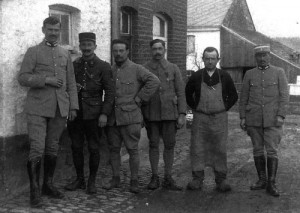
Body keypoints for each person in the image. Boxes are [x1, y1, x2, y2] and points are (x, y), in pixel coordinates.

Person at [18, 16, 78, 206]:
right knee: (37, 148)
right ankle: (34, 192)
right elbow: (22, 77)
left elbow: (71, 83)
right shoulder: (33, 52)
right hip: (37, 108)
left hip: (60, 108)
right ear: (43, 29)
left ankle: (48, 185)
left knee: (52, 147)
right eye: (50, 29)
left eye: (56, 29)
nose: (53, 33)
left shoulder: (64, 54)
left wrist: (73, 106)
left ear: (60, 31)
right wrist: (46, 80)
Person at [103, 39, 160, 193]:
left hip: (130, 117)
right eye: (115, 51)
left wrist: (140, 98)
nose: (118, 54)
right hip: (113, 118)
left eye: (122, 50)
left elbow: (154, 81)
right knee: (113, 149)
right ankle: (115, 178)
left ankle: (134, 181)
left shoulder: (137, 69)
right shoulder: (110, 70)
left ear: (127, 51)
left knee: (132, 149)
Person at [64, 32, 115, 194]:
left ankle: (91, 181)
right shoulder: (74, 65)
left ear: (95, 46)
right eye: (83, 45)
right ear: (80, 47)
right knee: (76, 147)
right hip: (76, 113)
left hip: (95, 114)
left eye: (89, 45)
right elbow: (67, 88)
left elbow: (110, 93)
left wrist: (104, 114)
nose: (86, 48)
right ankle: (80, 179)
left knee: (94, 148)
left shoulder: (104, 66)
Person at [185, 47, 238, 192]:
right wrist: (196, 106)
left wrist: (223, 107)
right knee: (197, 147)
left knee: (220, 148)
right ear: (203, 59)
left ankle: (221, 180)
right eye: (207, 58)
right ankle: (197, 179)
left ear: (217, 60)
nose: (209, 61)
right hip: (200, 117)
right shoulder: (196, 76)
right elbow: (187, 94)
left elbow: (234, 96)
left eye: (212, 58)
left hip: (219, 118)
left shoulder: (224, 76)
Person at [239, 45, 289, 197]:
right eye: (259, 55)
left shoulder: (279, 72)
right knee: (258, 150)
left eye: (264, 55)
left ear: (269, 56)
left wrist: (281, 115)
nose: (262, 58)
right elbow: (243, 97)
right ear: (255, 58)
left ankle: (271, 183)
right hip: (253, 119)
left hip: (273, 119)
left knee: (272, 150)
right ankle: (262, 180)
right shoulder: (249, 74)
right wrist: (242, 117)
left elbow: (284, 96)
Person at [142, 39, 186, 190]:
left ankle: (168, 177)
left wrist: (181, 114)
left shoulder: (173, 68)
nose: (157, 52)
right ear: (150, 51)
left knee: (169, 145)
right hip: (151, 113)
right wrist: (142, 116)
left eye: (160, 48)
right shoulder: (144, 69)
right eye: (154, 49)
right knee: (153, 144)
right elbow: (140, 92)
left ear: (165, 49)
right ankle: (154, 177)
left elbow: (180, 92)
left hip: (169, 113)